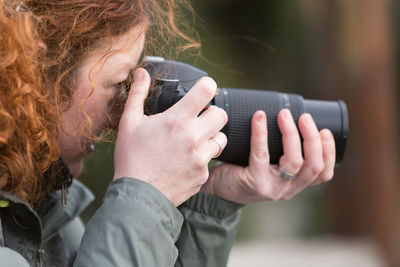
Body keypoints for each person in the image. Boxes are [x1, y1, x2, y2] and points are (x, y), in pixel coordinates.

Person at [0, 0, 336, 266]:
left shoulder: (44, 213)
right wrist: (146, 193)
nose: (122, 116)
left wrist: (210, 202)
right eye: (118, 85)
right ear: (37, 74)